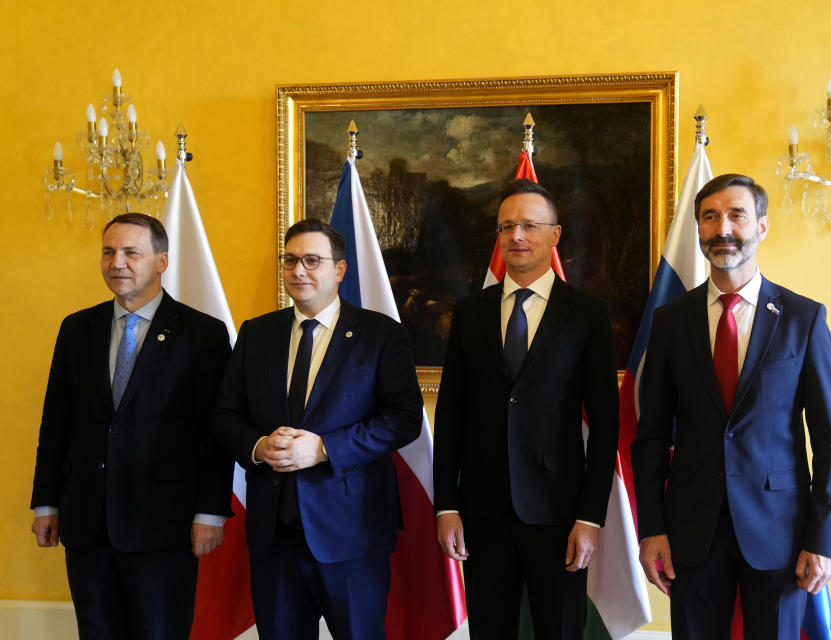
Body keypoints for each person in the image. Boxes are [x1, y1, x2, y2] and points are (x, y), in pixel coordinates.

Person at [632, 174, 831, 639]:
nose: (722, 227)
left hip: (781, 535)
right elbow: (651, 437)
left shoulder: (803, 319)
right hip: (691, 532)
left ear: (761, 227)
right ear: (699, 230)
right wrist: (651, 528)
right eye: (710, 217)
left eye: (736, 215)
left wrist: (825, 539)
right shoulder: (671, 322)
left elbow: (830, 441)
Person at [212, 219, 422, 640]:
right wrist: (257, 446)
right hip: (274, 538)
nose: (298, 270)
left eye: (312, 260)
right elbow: (224, 414)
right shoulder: (257, 334)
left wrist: (325, 448)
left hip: (352, 534)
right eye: (290, 261)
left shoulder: (380, 334)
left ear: (339, 270)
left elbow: (404, 419)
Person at [29, 212, 234, 639]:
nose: (117, 262)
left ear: (161, 262)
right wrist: (46, 503)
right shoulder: (76, 328)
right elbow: (56, 422)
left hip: (166, 525)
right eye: (108, 252)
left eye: (131, 252)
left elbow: (213, 433)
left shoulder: (203, 334)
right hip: (87, 522)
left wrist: (211, 511)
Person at [433, 179, 620, 639]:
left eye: (529, 226)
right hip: (482, 513)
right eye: (507, 226)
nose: (517, 236)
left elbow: (605, 423)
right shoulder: (470, 312)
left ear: (554, 235)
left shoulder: (587, 315)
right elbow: (452, 414)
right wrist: (446, 506)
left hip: (560, 515)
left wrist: (590, 517)